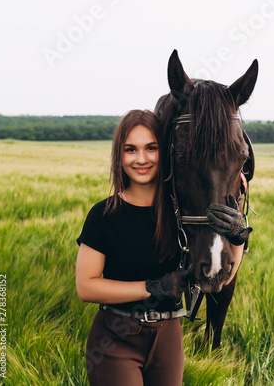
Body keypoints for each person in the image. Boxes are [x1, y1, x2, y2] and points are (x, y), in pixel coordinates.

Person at [76, 109, 187, 386]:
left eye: (152, 148)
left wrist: (235, 235)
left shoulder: (182, 215)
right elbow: (86, 287)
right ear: (119, 156)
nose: (141, 159)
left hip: (169, 338)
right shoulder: (103, 215)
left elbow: (221, 278)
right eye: (130, 149)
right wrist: (152, 287)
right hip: (115, 340)